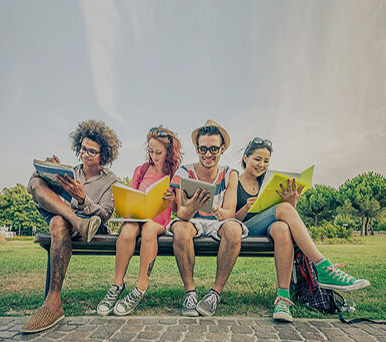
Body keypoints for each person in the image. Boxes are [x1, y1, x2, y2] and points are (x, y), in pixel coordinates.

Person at [235, 137, 371, 322]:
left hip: (270, 227)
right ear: (245, 158)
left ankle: (283, 298)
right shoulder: (235, 180)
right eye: (257, 159)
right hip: (244, 229)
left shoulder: (267, 182)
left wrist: (291, 202)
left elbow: (284, 215)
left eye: (266, 161)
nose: (262, 165)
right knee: (284, 209)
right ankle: (324, 267)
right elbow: (228, 220)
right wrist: (246, 208)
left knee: (283, 229)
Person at [21, 120, 121, 333]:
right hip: (70, 218)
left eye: (92, 151)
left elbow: (105, 215)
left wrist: (83, 199)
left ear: (103, 155)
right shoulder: (71, 172)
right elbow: (33, 189)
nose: (86, 154)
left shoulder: (111, 181)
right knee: (35, 183)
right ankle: (77, 223)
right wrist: (47, 170)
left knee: (58, 222)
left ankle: (53, 302)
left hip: (91, 223)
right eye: (83, 149)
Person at [97, 126, 182, 316]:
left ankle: (140, 287)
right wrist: (123, 201)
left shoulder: (175, 175)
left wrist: (172, 200)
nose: (154, 156)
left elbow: (177, 210)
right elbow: (131, 197)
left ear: (169, 152)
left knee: (149, 229)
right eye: (151, 151)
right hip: (137, 218)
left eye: (158, 152)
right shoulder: (141, 170)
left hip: (158, 223)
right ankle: (116, 286)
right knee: (127, 229)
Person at [168, 120, 248, 317]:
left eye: (213, 149)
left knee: (234, 229)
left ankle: (214, 293)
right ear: (197, 149)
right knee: (180, 229)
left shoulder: (230, 174)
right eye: (203, 149)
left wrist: (211, 206)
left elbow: (229, 213)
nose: (208, 154)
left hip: (219, 221)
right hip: (192, 221)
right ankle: (190, 292)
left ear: (222, 149)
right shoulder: (184, 172)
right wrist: (194, 206)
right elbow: (181, 214)